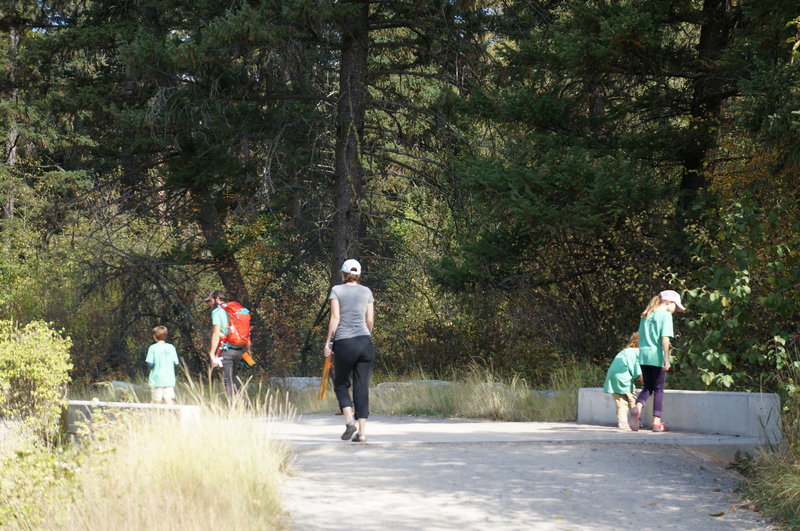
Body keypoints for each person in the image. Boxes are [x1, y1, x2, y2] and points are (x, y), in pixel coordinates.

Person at [323, 259, 375, 443]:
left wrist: (329, 342)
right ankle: (362, 433)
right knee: (362, 387)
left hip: (345, 342)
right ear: (359, 275)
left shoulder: (337, 290)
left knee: (341, 383)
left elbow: (335, 316)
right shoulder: (367, 291)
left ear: (343, 274)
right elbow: (369, 320)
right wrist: (366, 335)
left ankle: (349, 420)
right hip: (365, 342)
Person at [628, 290, 685, 432]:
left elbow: (640, 337)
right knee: (659, 388)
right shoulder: (665, 316)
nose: (675, 311)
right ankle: (656, 422)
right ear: (668, 302)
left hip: (643, 355)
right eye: (675, 307)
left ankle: (638, 408)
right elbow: (665, 339)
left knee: (648, 386)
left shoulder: (646, 314)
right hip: (656, 356)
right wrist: (666, 359)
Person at [205, 289, 247, 397]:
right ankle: (244, 404)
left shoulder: (217, 312)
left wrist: (212, 353)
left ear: (217, 299)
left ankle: (232, 407)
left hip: (227, 349)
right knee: (233, 376)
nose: (210, 303)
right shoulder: (238, 310)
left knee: (228, 379)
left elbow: (216, 333)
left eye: (211, 300)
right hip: (239, 348)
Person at [603, 332, 642, 430]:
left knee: (620, 401)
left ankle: (622, 422)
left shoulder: (625, 351)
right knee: (631, 398)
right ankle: (635, 419)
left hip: (612, 376)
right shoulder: (639, 353)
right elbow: (640, 372)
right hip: (624, 377)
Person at [146, 325, 180, 404]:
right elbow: (176, 362)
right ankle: (174, 414)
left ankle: (151, 415)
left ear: (154, 336)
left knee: (155, 400)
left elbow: (150, 364)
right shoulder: (171, 347)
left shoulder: (152, 348)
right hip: (169, 380)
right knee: (169, 400)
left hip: (156, 380)